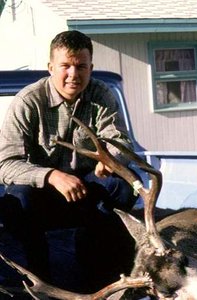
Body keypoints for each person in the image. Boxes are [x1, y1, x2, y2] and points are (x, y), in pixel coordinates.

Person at [0, 30, 137, 289]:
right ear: (51, 67)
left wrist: (110, 158)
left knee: (123, 186)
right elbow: (5, 164)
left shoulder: (101, 94)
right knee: (17, 200)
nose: (73, 74)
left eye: (81, 66)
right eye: (65, 66)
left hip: (87, 190)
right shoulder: (28, 102)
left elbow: (120, 141)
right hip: (42, 195)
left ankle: (99, 271)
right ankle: (38, 280)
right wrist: (51, 176)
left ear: (90, 67)